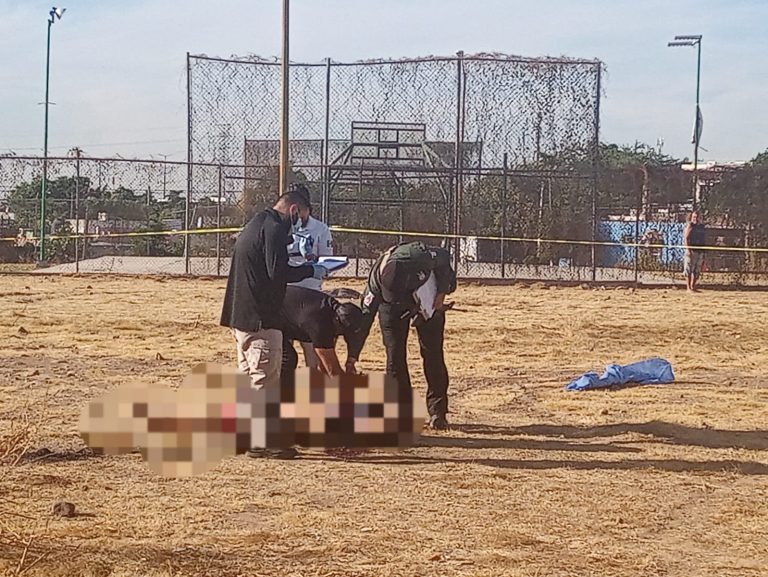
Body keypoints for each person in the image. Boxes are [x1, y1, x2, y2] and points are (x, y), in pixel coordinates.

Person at [220, 186, 328, 391]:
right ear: (294, 210)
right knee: (264, 384)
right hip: (261, 321)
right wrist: (309, 270)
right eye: (301, 219)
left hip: (240, 317)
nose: (300, 225)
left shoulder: (258, 222)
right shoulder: (275, 229)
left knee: (247, 381)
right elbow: (278, 273)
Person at [346, 241, 457, 430]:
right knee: (394, 356)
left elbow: (444, 256)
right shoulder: (375, 287)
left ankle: (438, 412)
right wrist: (352, 356)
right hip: (391, 310)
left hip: (427, 295)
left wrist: (442, 292)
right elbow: (364, 321)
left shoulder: (419, 256)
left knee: (432, 353)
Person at [285, 185, 335, 370]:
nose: (297, 214)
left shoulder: (320, 229)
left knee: (312, 354)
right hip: (285, 296)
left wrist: (312, 261)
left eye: (301, 209)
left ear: (308, 208)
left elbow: (327, 263)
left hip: (310, 297)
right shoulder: (281, 227)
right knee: (283, 354)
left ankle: (314, 394)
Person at [278, 285, 363, 386]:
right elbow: (332, 370)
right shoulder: (320, 325)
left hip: (282, 313)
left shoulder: (334, 311)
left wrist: (350, 362)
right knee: (287, 358)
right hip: (264, 313)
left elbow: (324, 367)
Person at [684, 210, 706, 292]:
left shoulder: (702, 227)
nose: (695, 219)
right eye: (694, 217)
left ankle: (693, 287)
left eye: (697, 217)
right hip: (692, 251)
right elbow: (686, 238)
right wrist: (688, 250)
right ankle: (688, 288)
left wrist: (704, 252)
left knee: (697, 270)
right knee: (689, 269)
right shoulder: (690, 225)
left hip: (700, 251)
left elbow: (703, 240)